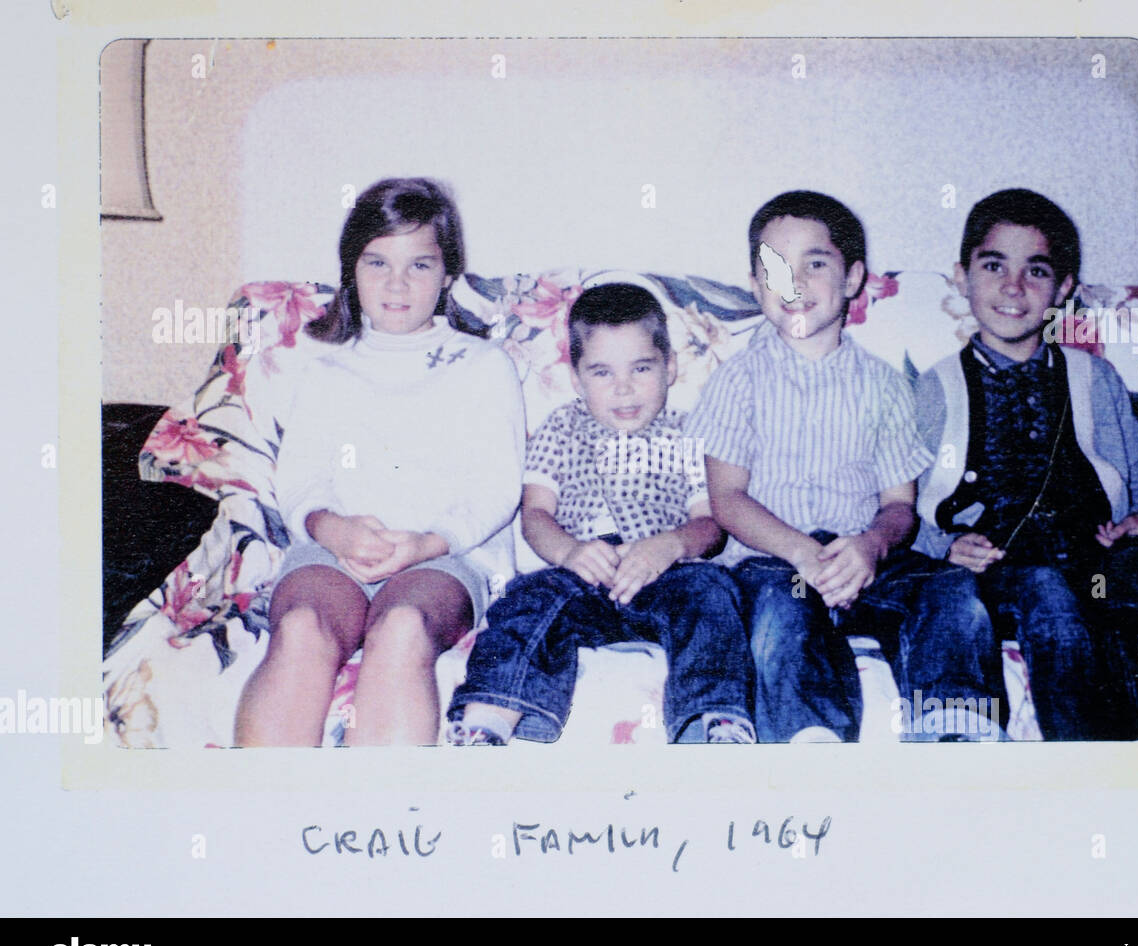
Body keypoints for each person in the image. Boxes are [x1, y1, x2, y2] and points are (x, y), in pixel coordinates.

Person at [686, 190, 1005, 743]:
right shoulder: (736, 380)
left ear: (854, 277)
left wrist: (871, 546)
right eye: (777, 269)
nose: (796, 284)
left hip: (866, 558)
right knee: (780, 617)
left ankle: (953, 726)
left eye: (815, 263)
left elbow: (898, 506)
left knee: (952, 591)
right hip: (773, 562)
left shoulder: (884, 385)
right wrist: (802, 553)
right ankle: (811, 739)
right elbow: (728, 499)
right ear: (757, 285)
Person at [234, 177, 524, 746]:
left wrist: (425, 544)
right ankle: (261, 818)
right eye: (377, 263)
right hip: (332, 552)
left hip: (443, 557)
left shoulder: (482, 365)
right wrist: (330, 528)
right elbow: (301, 479)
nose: (397, 283)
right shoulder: (326, 372)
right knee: (299, 629)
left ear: (448, 275)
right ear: (352, 271)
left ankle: (385, 825)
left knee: (402, 628)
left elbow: (496, 485)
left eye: (419, 265)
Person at [446, 283, 756, 745]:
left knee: (713, 591)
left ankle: (715, 719)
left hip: (664, 575)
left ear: (670, 368)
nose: (624, 387)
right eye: (602, 372)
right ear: (576, 379)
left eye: (642, 368)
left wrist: (669, 545)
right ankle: (489, 719)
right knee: (529, 598)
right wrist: (569, 551)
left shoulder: (685, 434)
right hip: (581, 577)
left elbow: (710, 523)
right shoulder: (561, 429)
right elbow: (536, 515)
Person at [912, 188, 1138, 740]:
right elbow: (902, 497)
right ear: (963, 275)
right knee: (1015, 596)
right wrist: (941, 544)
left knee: (1106, 590)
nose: (1013, 287)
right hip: (979, 568)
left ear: (1064, 289)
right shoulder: (937, 386)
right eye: (994, 265)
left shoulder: (1096, 379)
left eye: (1036, 271)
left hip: (1089, 560)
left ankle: (1111, 748)